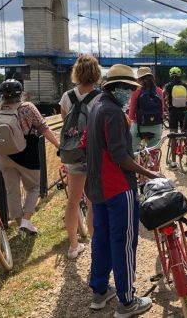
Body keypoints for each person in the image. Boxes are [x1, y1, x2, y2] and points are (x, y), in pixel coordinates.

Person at [84, 64, 163, 316]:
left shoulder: (95, 107)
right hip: (118, 188)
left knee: (102, 238)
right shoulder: (114, 113)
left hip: (96, 187)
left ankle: (99, 291)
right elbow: (120, 156)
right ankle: (127, 300)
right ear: (118, 88)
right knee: (125, 242)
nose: (130, 93)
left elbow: (84, 143)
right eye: (128, 88)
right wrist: (150, 173)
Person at [0, 79, 59, 233]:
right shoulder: (27, 107)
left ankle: (18, 223)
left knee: (12, 191)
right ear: (20, 93)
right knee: (34, 187)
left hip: (4, 155)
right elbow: (44, 129)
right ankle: (26, 221)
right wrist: (58, 146)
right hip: (27, 155)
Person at [59, 54, 102, 259]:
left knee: (73, 201)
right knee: (93, 200)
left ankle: (73, 246)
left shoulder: (67, 96)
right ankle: (95, 244)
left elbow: (65, 122)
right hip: (93, 154)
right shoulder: (100, 97)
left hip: (73, 154)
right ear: (96, 73)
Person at [163, 67, 187, 170]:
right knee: (186, 135)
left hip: (173, 113)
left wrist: (166, 108)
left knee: (173, 136)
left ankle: (174, 163)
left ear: (170, 75)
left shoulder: (168, 86)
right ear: (180, 75)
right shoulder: (186, 85)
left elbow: (162, 96)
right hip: (184, 112)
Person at [128, 67, 164, 152]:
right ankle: (153, 163)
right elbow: (161, 110)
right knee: (153, 150)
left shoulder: (136, 91)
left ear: (139, 79)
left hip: (139, 127)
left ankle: (136, 160)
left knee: (133, 150)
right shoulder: (159, 91)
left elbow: (131, 115)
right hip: (156, 126)